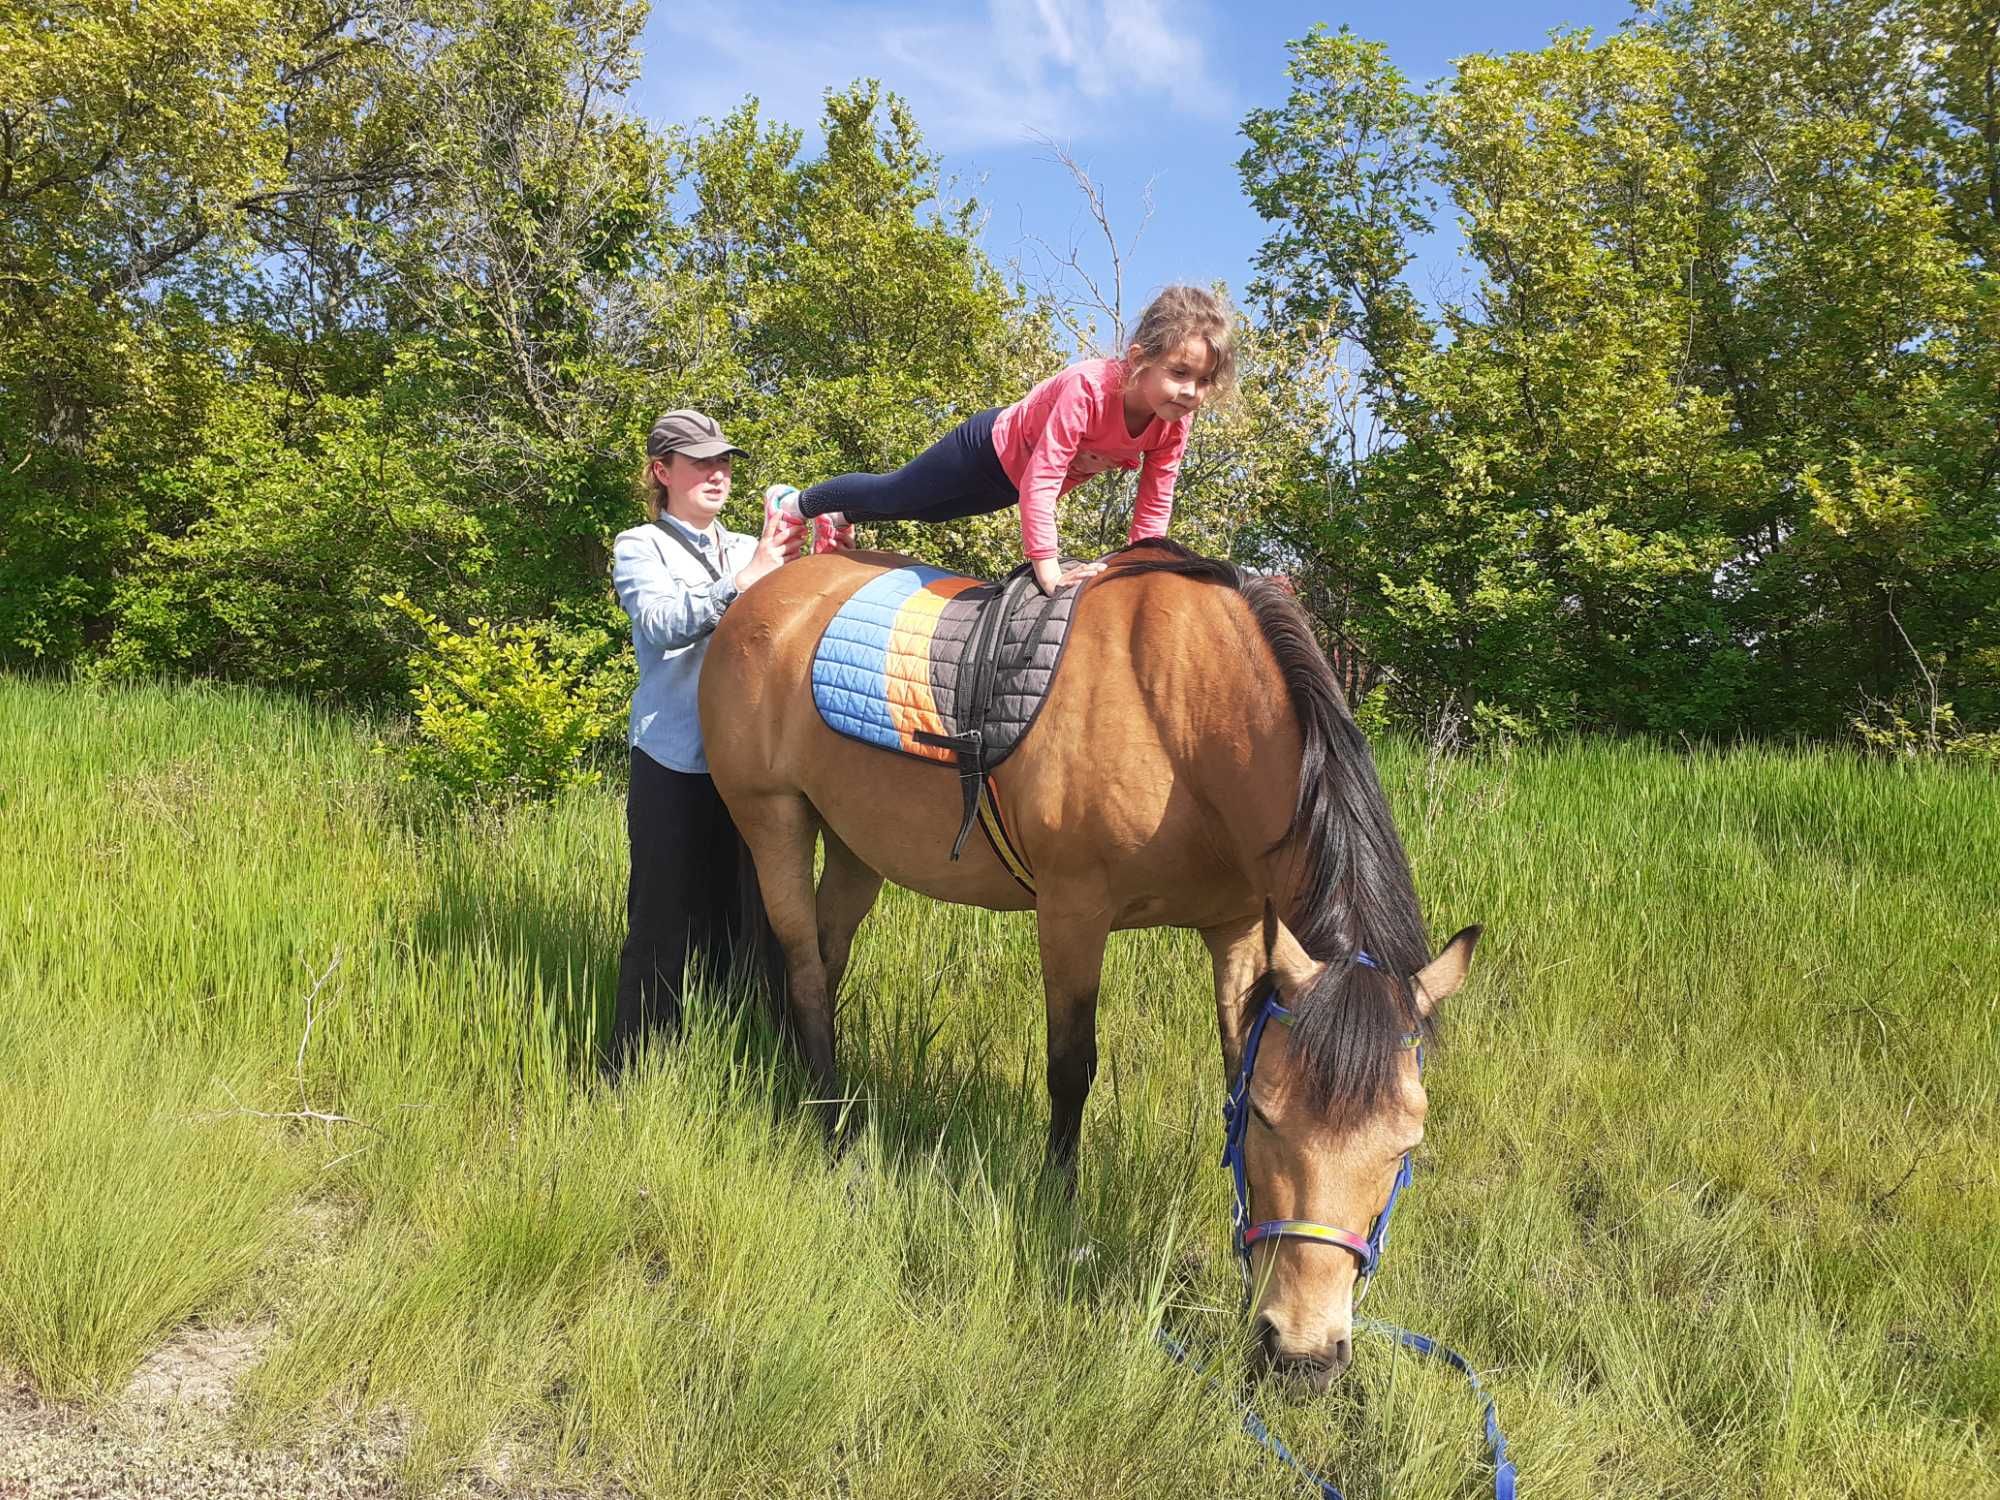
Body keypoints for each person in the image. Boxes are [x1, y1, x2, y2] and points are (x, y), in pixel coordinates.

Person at [766, 285, 1236, 595]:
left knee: (930, 512)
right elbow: (1044, 477)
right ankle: (795, 504)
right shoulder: (1089, 388)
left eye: (1204, 380)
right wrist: (1047, 570)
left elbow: (1155, 501)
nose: (1191, 391)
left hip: (1010, 483)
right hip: (985, 450)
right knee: (898, 491)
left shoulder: (1173, 422)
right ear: (1139, 359)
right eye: (1179, 373)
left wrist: (1146, 567)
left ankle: (838, 517)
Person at [606, 408, 804, 1075]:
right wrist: (741, 583)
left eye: (723, 461)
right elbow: (660, 623)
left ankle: (734, 1058)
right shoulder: (640, 545)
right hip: (674, 759)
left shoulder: (748, 545)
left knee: (744, 922)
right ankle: (631, 1072)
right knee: (661, 923)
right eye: (700, 461)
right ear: (662, 472)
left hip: (748, 764)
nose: (717, 473)